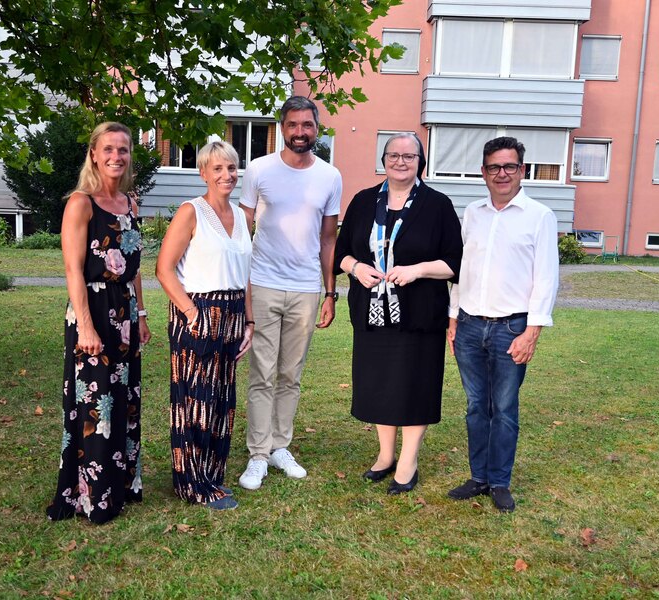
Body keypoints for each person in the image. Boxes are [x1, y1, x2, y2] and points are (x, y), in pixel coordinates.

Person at [334, 132, 462, 495]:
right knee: (380, 384)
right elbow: (341, 252)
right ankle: (385, 455)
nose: (401, 161)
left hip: (420, 314)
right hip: (373, 315)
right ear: (384, 160)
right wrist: (357, 268)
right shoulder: (362, 202)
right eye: (394, 155)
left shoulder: (437, 205)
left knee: (414, 384)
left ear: (420, 161)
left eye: (409, 155)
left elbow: (455, 262)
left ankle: (408, 461)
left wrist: (417, 270)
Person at [446, 136, 559, 513]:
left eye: (509, 166)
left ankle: (499, 482)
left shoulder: (539, 216)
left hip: (512, 328)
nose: (502, 173)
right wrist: (453, 318)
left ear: (522, 170)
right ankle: (478, 477)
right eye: (494, 167)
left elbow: (546, 278)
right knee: (477, 406)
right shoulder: (473, 213)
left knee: (504, 407)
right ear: (483, 172)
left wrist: (533, 331)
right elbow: (462, 271)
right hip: (470, 325)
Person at [46, 122, 152, 524]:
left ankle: (121, 484)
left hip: (124, 312)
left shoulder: (130, 202)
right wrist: (86, 328)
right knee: (96, 403)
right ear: (94, 153)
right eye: (108, 149)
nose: (116, 156)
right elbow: (73, 270)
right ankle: (92, 495)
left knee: (123, 403)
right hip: (91, 309)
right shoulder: (81, 203)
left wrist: (141, 313)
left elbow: (135, 265)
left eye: (123, 150)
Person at [237, 96, 343, 490]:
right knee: (261, 373)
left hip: (305, 289)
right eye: (293, 125)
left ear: (318, 127)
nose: (300, 132)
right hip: (263, 283)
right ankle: (258, 454)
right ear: (282, 127)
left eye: (307, 125)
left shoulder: (330, 176)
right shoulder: (259, 170)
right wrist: (242, 285)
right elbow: (240, 232)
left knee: (290, 374)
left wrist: (330, 293)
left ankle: (281, 445)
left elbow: (328, 238)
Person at [156, 141, 254, 510]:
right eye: (218, 169)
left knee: (220, 399)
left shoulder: (243, 218)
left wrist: (249, 320)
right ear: (203, 173)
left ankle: (213, 474)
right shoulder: (190, 212)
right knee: (194, 399)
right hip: (196, 311)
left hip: (232, 314)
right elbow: (164, 269)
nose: (226, 175)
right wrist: (192, 313)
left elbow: (245, 275)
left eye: (231, 168)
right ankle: (192, 483)